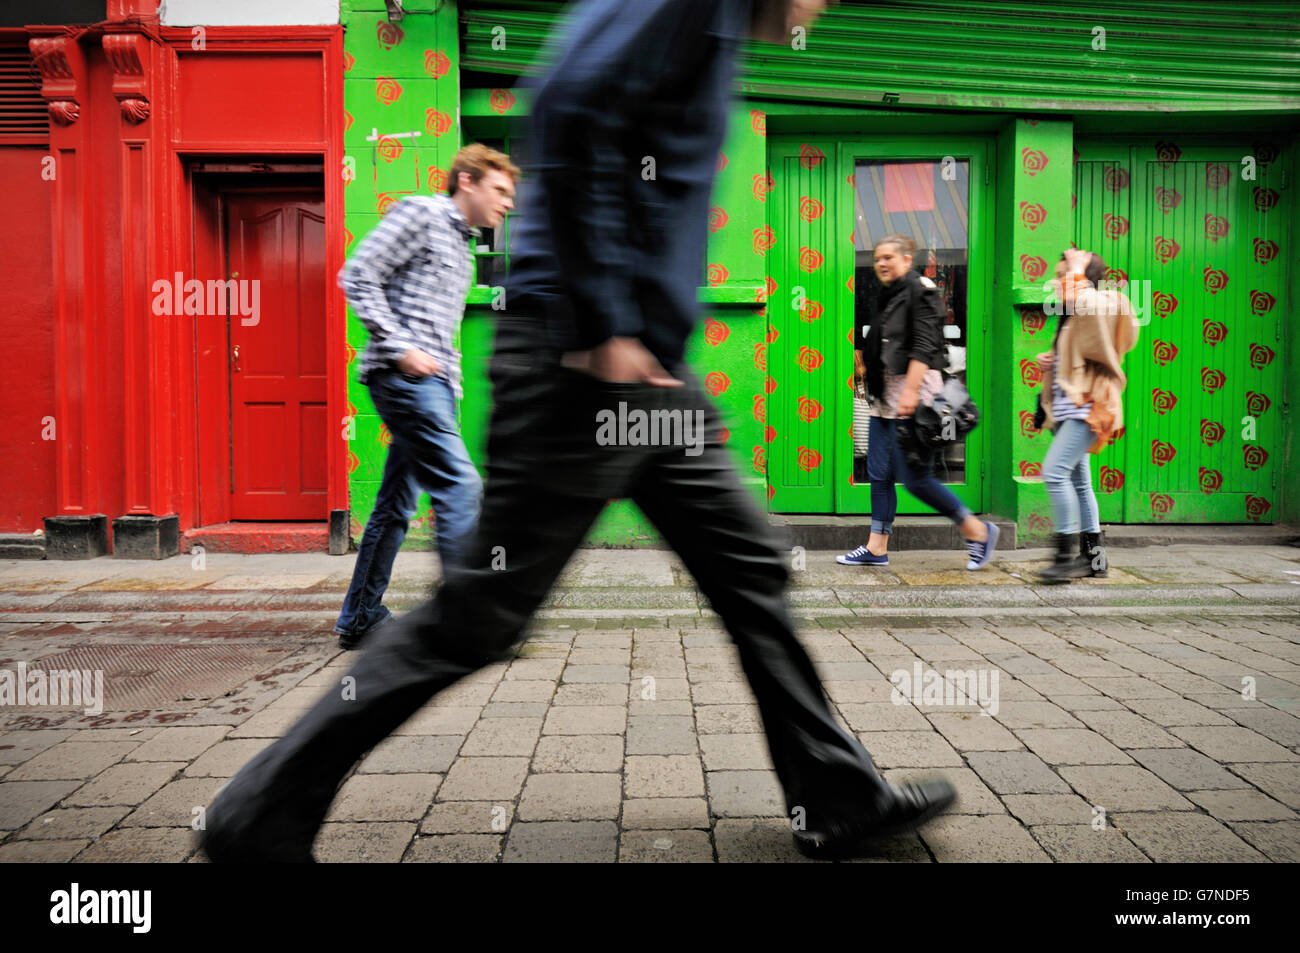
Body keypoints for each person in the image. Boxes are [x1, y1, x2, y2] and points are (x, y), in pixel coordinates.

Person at [200, 0, 957, 864]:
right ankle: (260, 808)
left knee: (750, 570)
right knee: (478, 618)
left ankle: (836, 795)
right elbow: (569, 102)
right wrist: (603, 322)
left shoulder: (708, 26)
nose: (820, 5)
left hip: (648, 376)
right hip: (585, 368)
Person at [332, 144, 519, 650]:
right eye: (500, 191)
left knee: (395, 505)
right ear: (467, 181)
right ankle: (469, 623)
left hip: (433, 386)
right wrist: (402, 348)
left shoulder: (463, 244)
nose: (508, 203)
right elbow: (356, 274)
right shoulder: (423, 213)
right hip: (406, 379)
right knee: (460, 486)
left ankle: (360, 617)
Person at [838, 234, 999, 570]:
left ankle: (979, 530)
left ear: (907, 259)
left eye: (889, 258)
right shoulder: (889, 294)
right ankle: (876, 547)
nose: (881, 263)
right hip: (885, 402)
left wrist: (910, 392)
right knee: (879, 474)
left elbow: (925, 346)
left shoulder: (921, 290)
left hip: (915, 402)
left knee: (916, 479)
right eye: (878, 258)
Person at [1035, 246, 1137, 581]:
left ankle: (1065, 558)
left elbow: (1095, 317)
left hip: (1090, 409)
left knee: (1054, 472)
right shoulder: (1074, 311)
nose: (1057, 280)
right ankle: (1095, 560)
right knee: (1080, 483)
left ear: (1083, 276)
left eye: (1062, 274)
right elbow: (1085, 350)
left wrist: (1077, 269)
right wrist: (1053, 360)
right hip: (1069, 411)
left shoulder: (1102, 301)